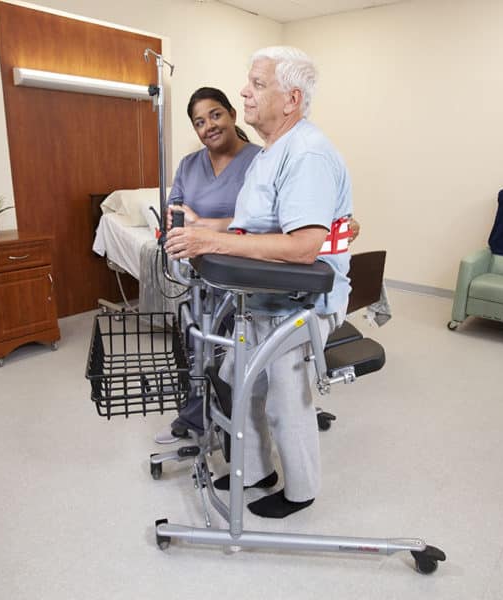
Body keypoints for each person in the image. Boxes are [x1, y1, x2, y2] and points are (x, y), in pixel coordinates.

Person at [165, 46, 352, 519]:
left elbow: (303, 247)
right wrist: (204, 229)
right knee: (237, 380)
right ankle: (255, 470)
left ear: (291, 99)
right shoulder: (271, 152)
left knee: (285, 398)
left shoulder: (306, 153)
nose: (244, 92)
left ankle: (301, 490)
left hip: (302, 305)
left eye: (258, 84)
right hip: (266, 298)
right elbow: (253, 226)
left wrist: (212, 243)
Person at [155, 87, 261, 443]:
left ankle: (238, 424)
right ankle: (195, 416)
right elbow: (175, 210)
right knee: (195, 344)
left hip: (246, 276)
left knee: (236, 351)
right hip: (202, 275)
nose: (209, 126)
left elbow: (263, 222)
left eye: (215, 115)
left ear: (232, 114)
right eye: (199, 122)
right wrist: (177, 219)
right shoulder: (189, 165)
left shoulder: (260, 160)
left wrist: (207, 225)